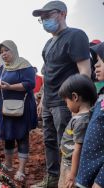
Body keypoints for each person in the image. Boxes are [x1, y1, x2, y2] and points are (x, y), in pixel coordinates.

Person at [32, 1, 92, 186]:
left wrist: (81, 105)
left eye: (48, 15)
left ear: (63, 14)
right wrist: (42, 99)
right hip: (49, 102)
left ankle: (70, 181)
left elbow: (85, 71)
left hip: (66, 102)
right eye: (42, 19)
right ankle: (52, 179)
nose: (45, 20)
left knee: (68, 146)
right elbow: (48, 74)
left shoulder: (76, 36)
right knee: (49, 142)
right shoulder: (48, 44)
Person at [0, 40, 37, 181]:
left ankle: (21, 170)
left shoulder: (25, 65)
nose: (3, 54)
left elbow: (30, 84)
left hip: (22, 108)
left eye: (6, 50)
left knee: (22, 136)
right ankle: (8, 165)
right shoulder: (2, 68)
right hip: (5, 107)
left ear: (14, 50)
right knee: (8, 135)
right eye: (1, 52)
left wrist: (9, 86)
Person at [57, 74, 97, 187]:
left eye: (66, 101)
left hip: (72, 166)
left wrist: (73, 174)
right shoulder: (81, 116)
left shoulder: (81, 121)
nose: (67, 105)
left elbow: (78, 149)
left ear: (75, 97)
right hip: (67, 161)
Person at [76, 42, 104, 188]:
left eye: (100, 61)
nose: (96, 66)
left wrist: (100, 181)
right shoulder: (101, 94)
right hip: (88, 169)